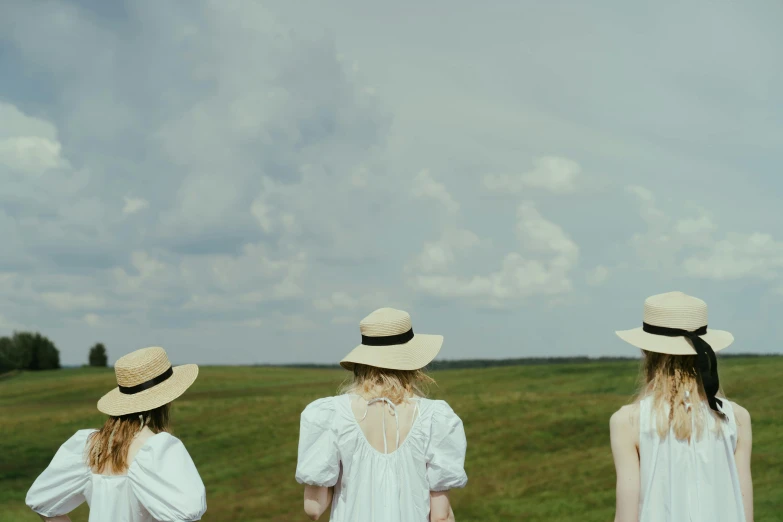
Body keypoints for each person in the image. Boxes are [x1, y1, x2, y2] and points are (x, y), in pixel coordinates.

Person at [295, 307, 468, 522]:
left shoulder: (329, 414)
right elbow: (440, 516)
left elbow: (313, 508)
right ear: (411, 364)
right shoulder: (435, 417)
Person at [610, 291, 753, 522]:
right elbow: (746, 514)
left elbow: (626, 517)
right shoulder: (736, 418)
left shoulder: (628, 421)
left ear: (646, 352)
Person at [26, 346, 207, 522]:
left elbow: (43, 503)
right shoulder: (157, 450)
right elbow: (186, 515)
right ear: (166, 400)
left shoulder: (90, 446)